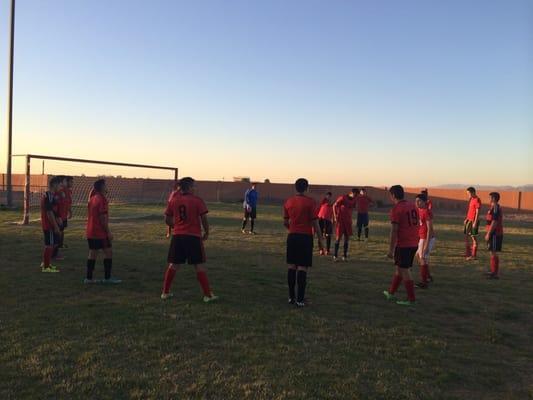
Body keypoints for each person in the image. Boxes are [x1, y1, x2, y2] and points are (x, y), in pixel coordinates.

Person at [161, 177, 218, 302]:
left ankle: (165, 292)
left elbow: (167, 219)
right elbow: (203, 219)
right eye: (195, 186)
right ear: (190, 188)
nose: (196, 188)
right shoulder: (197, 201)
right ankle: (208, 295)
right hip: (193, 237)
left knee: (174, 264)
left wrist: (175, 226)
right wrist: (207, 232)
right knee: (199, 265)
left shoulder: (174, 200)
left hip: (177, 236)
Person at [283, 178, 324, 307]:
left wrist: (292, 229)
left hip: (292, 236)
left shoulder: (288, 202)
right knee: (302, 267)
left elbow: (285, 222)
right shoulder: (311, 202)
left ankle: (291, 297)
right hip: (305, 237)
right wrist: (321, 242)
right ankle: (300, 300)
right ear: (307, 188)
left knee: (291, 266)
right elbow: (315, 223)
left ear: (295, 188)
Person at [383, 185, 419, 306]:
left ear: (393, 195)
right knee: (399, 269)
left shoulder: (396, 209)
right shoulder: (412, 205)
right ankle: (391, 293)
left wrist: (390, 250)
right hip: (414, 242)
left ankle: (411, 299)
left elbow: (394, 230)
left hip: (404, 244)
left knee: (404, 270)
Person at [85, 179, 121, 284]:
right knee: (108, 252)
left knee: (92, 253)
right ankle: (107, 278)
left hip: (90, 231)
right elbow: (102, 218)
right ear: (101, 187)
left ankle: (88, 278)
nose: (107, 187)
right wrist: (108, 232)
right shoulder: (102, 200)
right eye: (105, 185)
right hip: (99, 232)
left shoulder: (92, 199)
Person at [40, 176, 61, 273]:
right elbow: (49, 212)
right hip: (49, 225)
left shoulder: (51, 196)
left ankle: (46, 263)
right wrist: (55, 226)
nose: (60, 187)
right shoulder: (48, 196)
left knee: (50, 244)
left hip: (49, 224)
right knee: (50, 245)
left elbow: (53, 210)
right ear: (54, 185)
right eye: (59, 184)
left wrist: (58, 218)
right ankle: (46, 267)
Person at [415, 193, 435, 288]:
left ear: (424, 202)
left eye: (419, 201)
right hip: (421, 237)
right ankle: (428, 276)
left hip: (428, 238)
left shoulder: (426, 211)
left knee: (422, 257)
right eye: (416, 201)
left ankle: (424, 282)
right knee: (419, 257)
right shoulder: (418, 210)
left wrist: (426, 245)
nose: (417, 203)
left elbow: (429, 229)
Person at [332, 189, 357, 261]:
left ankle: (344, 256)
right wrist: (335, 216)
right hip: (341, 221)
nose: (355, 196)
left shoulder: (354, 200)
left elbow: (352, 208)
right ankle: (335, 256)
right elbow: (334, 205)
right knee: (338, 238)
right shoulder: (342, 198)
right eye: (355, 195)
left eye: (356, 195)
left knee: (347, 239)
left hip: (348, 221)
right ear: (351, 193)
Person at [485, 192, 503, 279]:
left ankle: (495, 273)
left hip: (495, 233)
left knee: (494, 252)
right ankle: (492, 271)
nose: (489, 199)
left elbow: (494, 221)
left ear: (494, 198)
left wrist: (489, 233)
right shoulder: (492, 207)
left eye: (490, 197)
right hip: (492, 233)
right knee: (492, 251)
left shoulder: (496, 207)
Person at [464, 187, 481, 260]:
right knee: (466, 236)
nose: (468, 195)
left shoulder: (477, 200)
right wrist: (466, 219)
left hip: (473, 221)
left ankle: (473, 255)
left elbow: (477, 212)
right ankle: (468, 254)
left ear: (473, 192)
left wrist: (475, 222)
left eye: (469, 193)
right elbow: (470, 210)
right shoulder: (471, 199)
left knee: (473, 237)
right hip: (469, 220)